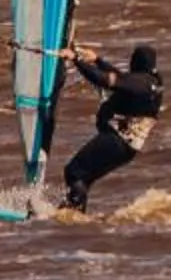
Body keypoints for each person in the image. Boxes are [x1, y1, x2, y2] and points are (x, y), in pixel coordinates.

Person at [59, 42, 164, 213]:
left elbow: (104, 80)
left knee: (74, 172)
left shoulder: (139, 83)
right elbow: (123, 79)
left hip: (117, 141)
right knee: (84, 178)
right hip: (128, 147)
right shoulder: (153, 82)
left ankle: (71, 216)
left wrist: (76, 60)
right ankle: (71, 215)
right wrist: (98, 60)